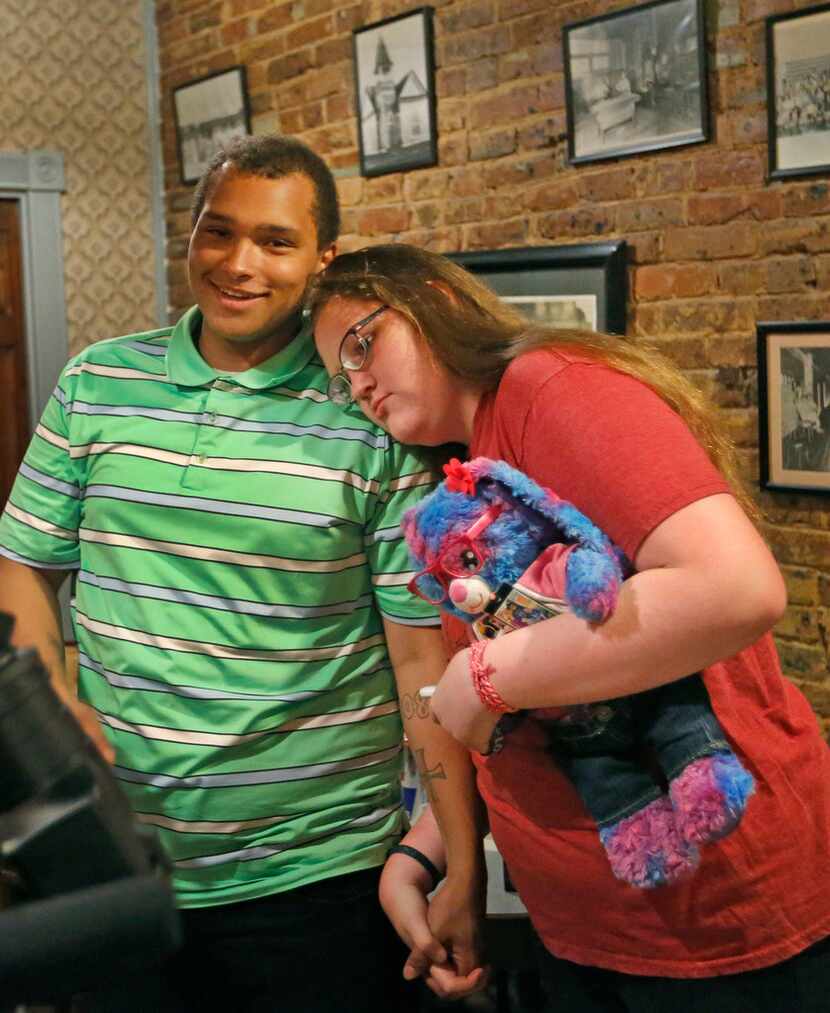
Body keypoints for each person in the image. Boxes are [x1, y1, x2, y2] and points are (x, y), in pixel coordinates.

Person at [0, 143, 484, 1012]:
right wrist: (56, 709)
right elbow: (25, 567)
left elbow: (421, 663)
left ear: (322, 259)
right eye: (216, 232)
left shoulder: (370, 409)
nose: (238, 263)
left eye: (274, 240)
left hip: (316, 875)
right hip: (116, 866)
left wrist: (458, 855)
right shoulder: (97, 380)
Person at [309, 243, 830, 1012]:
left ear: (438, 302)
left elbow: (736, 588)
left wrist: (484, 675)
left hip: (714, 920)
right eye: (339, 375)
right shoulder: (468, 471)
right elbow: (542, 708)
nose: (357, 383)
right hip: (589, 923)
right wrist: (434, 853)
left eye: (363, 343)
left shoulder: (550, 389)